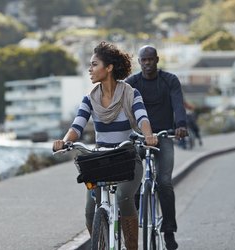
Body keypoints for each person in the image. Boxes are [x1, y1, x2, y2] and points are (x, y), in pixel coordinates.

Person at [52, 41, 158, 250]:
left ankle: (131, 247)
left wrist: (149, 136)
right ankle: (101, 244)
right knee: (91, 211)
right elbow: (77, 126)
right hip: (101, 160)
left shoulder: (130, 93)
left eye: (94, 64)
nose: (90, 70)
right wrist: (65, 141)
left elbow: (142, 118)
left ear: (108, 68)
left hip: (127, 158)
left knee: (124, 197)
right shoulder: (90, 99)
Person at [125, 45, 188, 250]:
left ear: (157, 60)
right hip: (140, 138)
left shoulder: (169, 80)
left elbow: (178, 103)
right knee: (131, 181)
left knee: (164, 182)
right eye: (143, 60)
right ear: (139, 62)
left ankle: (168, 231)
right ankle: (131, 224)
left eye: (150, 59)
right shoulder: (132, 83)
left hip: (164, 136)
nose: (147, 63)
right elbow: (123, 107)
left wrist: (180, 125)